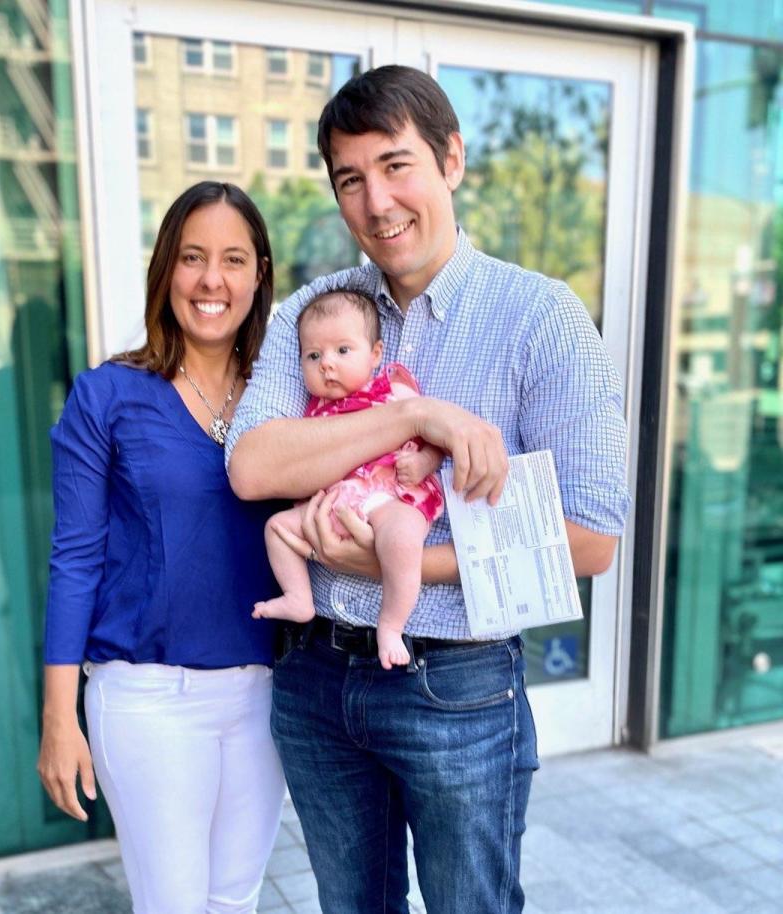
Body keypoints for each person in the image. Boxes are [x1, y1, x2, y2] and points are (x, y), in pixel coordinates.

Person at [226, 66, 630, 913]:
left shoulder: (540, 316)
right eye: (350, 179)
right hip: (314, 685)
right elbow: (254, 465)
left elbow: (592, 536)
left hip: (459, 689)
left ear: (452, 159)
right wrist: (426, 418)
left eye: (396, 164)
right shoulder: (315, 313)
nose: (376, 202)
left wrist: (400, 567)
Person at [37, 181, 286, 914]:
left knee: (234, 904)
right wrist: (59, 719)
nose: (212, 280)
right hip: (149, 701)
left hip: (266, 700)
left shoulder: (284, 396)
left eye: (234, 259)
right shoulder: (107, 395)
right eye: (192, 258)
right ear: (165, 272)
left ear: (259, 275)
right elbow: (74, 560)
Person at [252, 288, 444, 669]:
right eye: (314, 355)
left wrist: (423, 463)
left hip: (390, 494)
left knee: (403, 540)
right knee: (276, 529)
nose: (327, 364)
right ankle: (298, 597)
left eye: (342, 351)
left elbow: (437, 443)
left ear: (375, 354)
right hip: (337, 504)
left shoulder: (394, 389)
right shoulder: (311, 411)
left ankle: (391, 624)